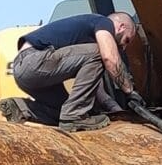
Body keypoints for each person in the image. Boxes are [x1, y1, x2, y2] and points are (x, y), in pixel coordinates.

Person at [9, 11, 140, 129]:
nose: (123, 47)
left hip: (24, 71)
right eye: (127, 40)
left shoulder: (87, 50)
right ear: (121, 26)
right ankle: (75, 115)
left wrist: (117, 111)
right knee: (100, 53)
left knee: (60, 115)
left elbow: (94, 87)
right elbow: (109, 58)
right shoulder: (103, 22)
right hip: (34, 60)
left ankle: (23, 108)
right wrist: (130, 91)